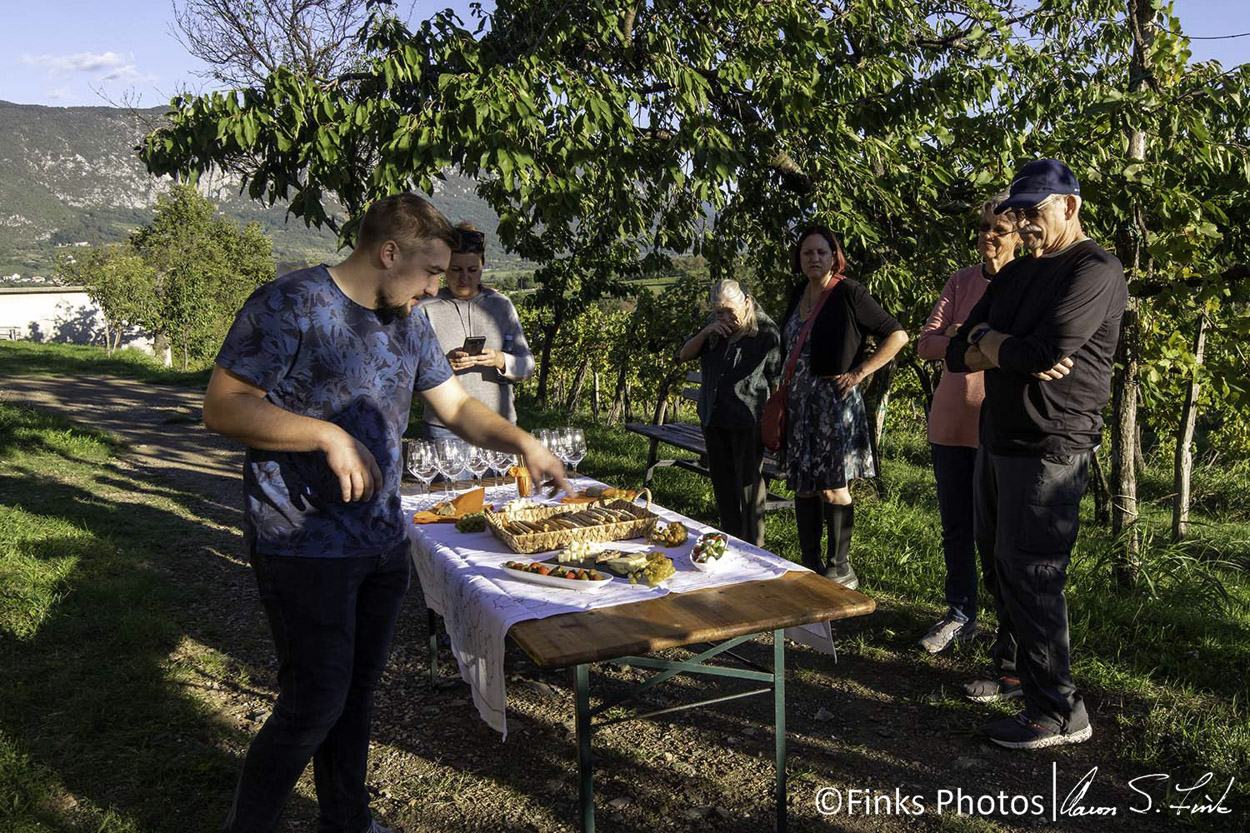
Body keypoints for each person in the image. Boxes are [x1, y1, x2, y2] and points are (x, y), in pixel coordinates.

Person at [202, 193, 571, 832]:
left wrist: (523, 441)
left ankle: (347, 823)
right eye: (430, 271)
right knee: (312, 703)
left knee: (355, 698)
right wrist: (326, 435)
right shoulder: (289, 303)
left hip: (381, 539)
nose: (436, 287)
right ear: (388, 252)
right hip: (300, 543)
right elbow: (224, 406)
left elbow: (455, 408)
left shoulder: (408, 320)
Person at [947, 159, 1127, 750]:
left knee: (1034, 571)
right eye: (1015, 213)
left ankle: (1058, 712)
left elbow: (1043, 349)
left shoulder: (1095, 270)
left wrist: (995, 345)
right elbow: (955, 350)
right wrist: (1002, 347)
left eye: (1033, 212)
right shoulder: (1018, 274)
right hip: (999, 437)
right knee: (1004, 565)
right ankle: (1029, 686)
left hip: (1053, 444)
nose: (1021, 224)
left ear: (1069, 206)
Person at [914, 194, 1018, 654]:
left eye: (997, 229)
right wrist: (969, 340)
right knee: (955, 526)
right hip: (949, 422)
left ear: (1020, 234)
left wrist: (963, 339)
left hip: (995, 425)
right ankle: (960, 613)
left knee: (997, 534)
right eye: (982, 228)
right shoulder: (960, 281)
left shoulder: (1024, 284)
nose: (987, 236)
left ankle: (1009, 627)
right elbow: (926, 344)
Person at [779, 226, 909, 588]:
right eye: (808, 253)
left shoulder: (849, 292)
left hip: (833, 406)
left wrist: (860, 372)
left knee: (834, 488)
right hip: (799, 406)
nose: (814, 258)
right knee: (804, 485)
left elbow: (897, 334)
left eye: (822, 252)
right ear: (799, 258)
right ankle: (810, 561)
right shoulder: (797, 293)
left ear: (835, 256)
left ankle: (839, 568)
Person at [677, 279, 782, 547]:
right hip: (713, 416)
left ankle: (754, 548)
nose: (723, 317)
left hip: (747, 419)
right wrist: (707, 331)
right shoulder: (713, 326)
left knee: (748, 486)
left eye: (729, 311)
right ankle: (731, 541)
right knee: (722, 484)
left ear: (746, 303)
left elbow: (775, 376)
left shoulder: (765, 331)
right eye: (718, 311)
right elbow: (683, 355)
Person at [419, 222, 535, 440]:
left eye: (472, 270)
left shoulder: (501, 306)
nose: (464, 278)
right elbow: (407, 375)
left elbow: (527, 367)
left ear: (483, 267)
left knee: (501, 477)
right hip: (445, 428)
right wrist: (442, 367)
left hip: (500, 424)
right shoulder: (426, 309)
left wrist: (501, 360)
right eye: (456, 270)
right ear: (445, 269)